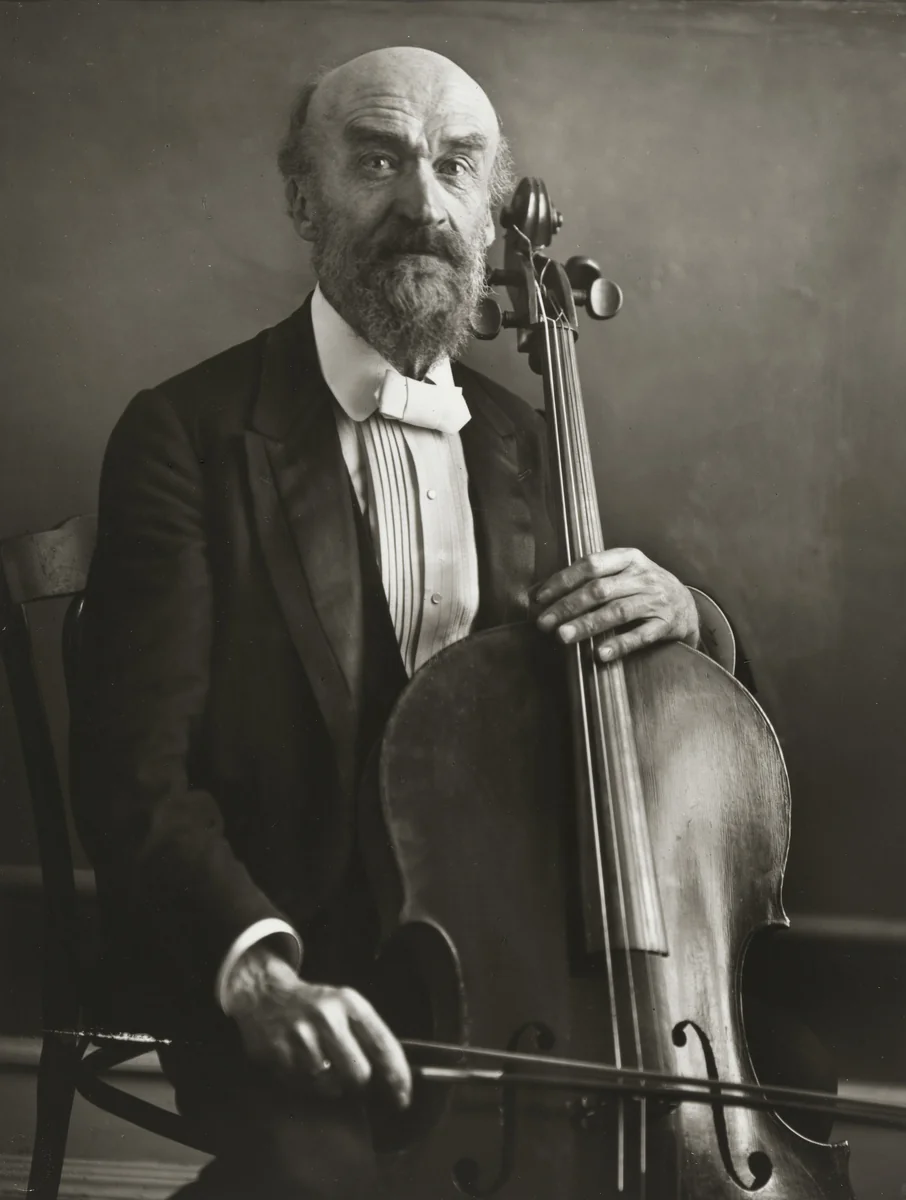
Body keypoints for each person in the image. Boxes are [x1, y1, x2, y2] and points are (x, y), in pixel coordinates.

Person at [71, 46, 827, 1200]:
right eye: (377, 161)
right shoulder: (187, 434)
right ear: (303, 197)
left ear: (487, 208)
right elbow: (136, 777)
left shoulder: (527, 443)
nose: (423, 202)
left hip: (513, 980)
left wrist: (689, 619)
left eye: (456, 167)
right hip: (303, 967)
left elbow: (623, 717)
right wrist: (259, 971)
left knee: (788, 1093)